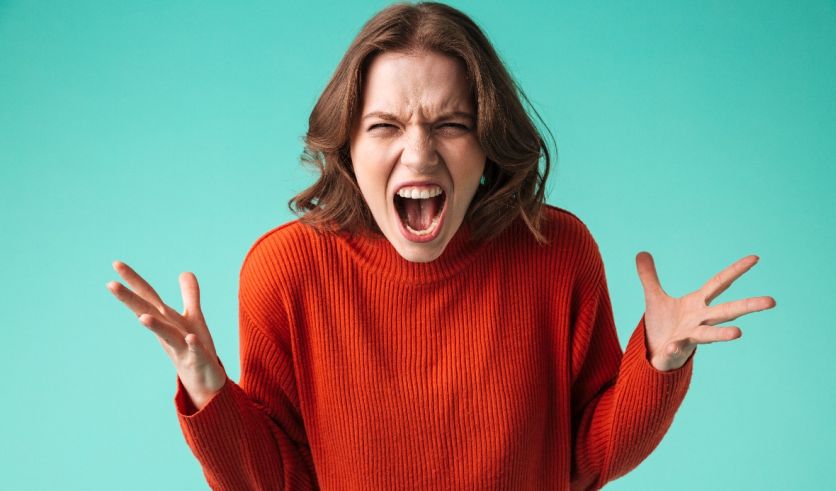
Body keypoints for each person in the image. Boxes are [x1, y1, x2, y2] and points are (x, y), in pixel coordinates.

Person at [106, 2, 776, 490]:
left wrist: (658, 362)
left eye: (452, 123)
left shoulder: (557, 251)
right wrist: (207, 389)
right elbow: (281, 481)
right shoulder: (286, 271)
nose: (418, 152)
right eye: (385, 125)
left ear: (486, 143)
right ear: (348, 146)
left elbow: (584, 459)